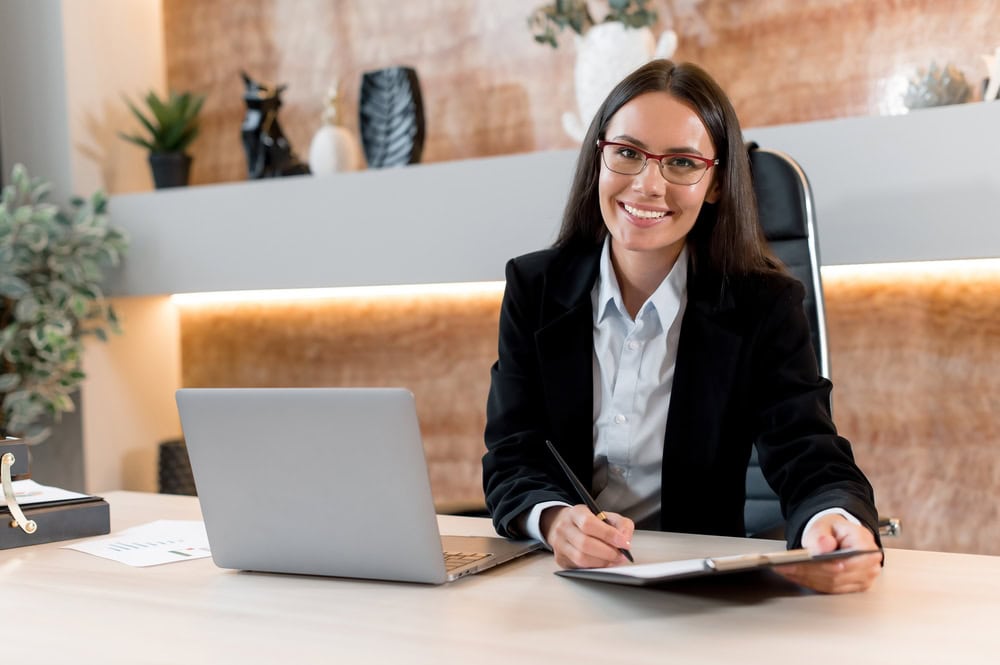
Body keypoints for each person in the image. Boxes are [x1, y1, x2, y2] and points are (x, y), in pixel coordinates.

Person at [482, 59, 882, 594]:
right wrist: (554, 520)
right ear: (599, 158)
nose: (647, 185)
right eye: (628, 153)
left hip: (696, 592)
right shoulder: (535, 288)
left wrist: (832, 521)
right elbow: (512, 454)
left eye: (682, 163)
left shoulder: (763, 305)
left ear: (715, 182)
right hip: (563, 583)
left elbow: (807, 452)